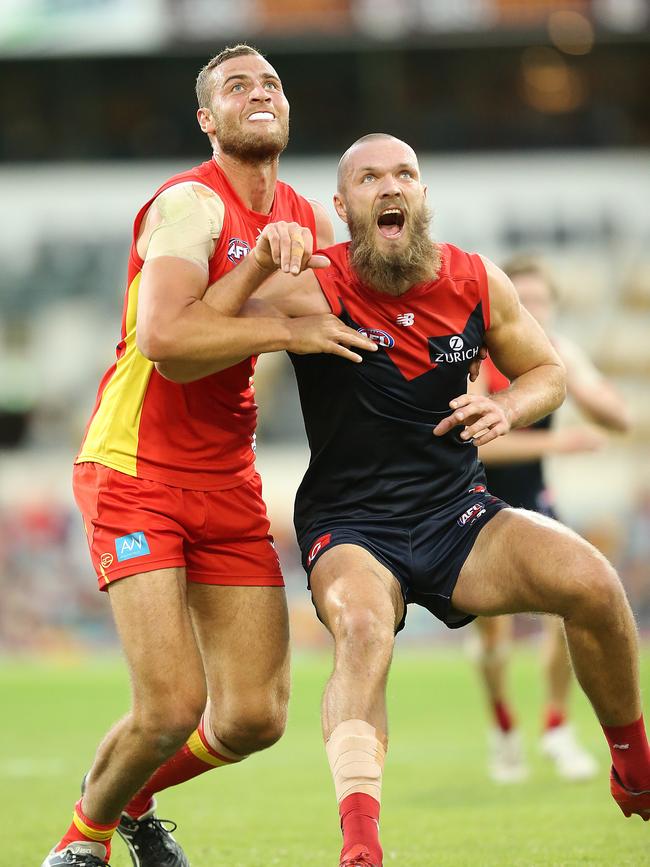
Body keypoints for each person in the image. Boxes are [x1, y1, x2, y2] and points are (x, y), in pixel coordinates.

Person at [231, 133, 650, 867]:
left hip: (459, 519)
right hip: (350, 523)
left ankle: (635, 769)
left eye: (405, 174)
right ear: (343, 206)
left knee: (594, 582)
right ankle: (360, 846)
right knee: (363, 629)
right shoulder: (314, 282)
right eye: (369, 178)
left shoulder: (476, 278)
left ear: (423, 196)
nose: (390, 187)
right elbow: (191, 326)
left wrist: (511, 407)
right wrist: (268, 281)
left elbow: (546, 370)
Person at [41, 45, 378, 867]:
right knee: (169, 706)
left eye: (270, 83)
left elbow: (343, 331)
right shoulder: (190, 204)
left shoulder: (308, 218)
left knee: (255, 716)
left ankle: (135, 794)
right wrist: (283, 317)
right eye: (237, 86)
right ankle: (78, 843)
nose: (258, 93)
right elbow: (167, 341)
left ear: (287, 109)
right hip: (135, 468)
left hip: (226, 474)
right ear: (208, 120)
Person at [471, 255, 633, 784]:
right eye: (525, 299)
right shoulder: (475, 357)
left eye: (543, 301)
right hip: (474, 506)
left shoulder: (557, 353)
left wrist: (609, 407)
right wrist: (563, 439)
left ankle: (557, 728)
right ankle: (502, 731)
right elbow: (482, 445)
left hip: (536, 501)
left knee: (573, 609)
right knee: (494, 644)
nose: (535, 309)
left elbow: (603, 404)